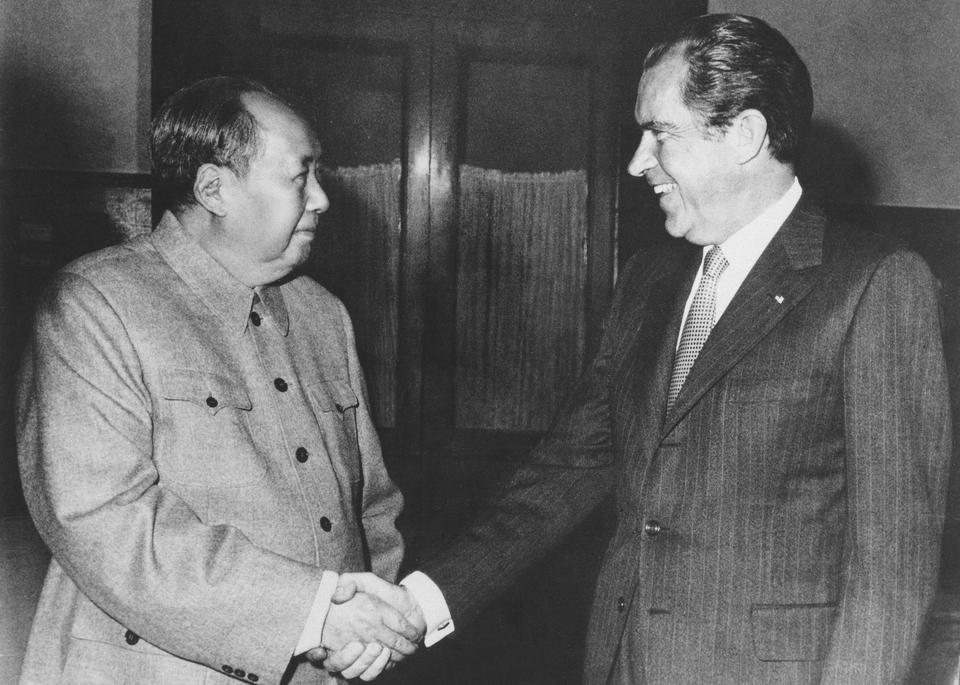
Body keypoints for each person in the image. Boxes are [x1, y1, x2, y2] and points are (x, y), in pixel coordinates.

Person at [324, 13, 952, 685]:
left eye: (659, 133)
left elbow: (891, 568)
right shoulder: (650, 280)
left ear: (744, 134)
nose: (636, 162)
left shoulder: (874, 282)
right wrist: (419, 603)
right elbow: (567, 470)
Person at [16, 76, 424, 685]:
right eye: (299, 176)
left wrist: (370, 630)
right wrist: (312, 617)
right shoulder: (94, 305)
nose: (322, 199)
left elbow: (371, 508)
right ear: (215, 189)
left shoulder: (323, 315)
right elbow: (105, 522)